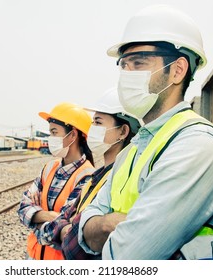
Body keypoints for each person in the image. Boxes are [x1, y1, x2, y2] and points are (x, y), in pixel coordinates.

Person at [79, 5, 213, 260]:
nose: (126, 75)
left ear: (177, 70)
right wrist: (107, 224)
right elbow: (86, 234)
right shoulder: (131, 152)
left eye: (138, 63)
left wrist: (103, 225)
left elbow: (126, 258)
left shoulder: (198, 146)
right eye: (123, 65)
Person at [33, 88, 141, 260]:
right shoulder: (97, 177)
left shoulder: (121, 177)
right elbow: (65, 221)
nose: (91, 130)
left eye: (98, 122)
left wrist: (66, 229)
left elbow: (76, 239)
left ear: (123, 131)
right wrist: (65, 227)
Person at [18, 102, 95, 260]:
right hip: (33, 256)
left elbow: (68, 230)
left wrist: (35, 217)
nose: (50, 138)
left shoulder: (87, 176)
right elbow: (23, 207)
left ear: (72, 135)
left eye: (54, 132)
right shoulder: (49, 167)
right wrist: (49, 217)